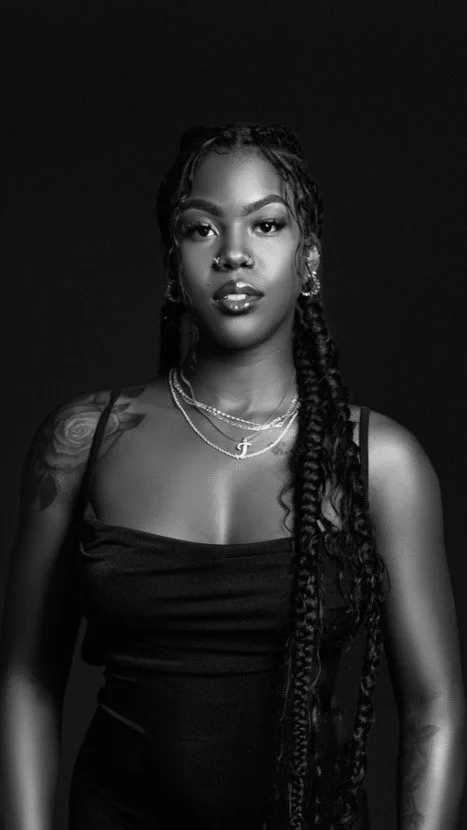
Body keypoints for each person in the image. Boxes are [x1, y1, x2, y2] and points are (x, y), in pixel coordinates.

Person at [0, 122, 465, 830]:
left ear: (309, 259)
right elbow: (26, 679)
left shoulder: (379, 461)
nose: (234, 253)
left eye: (267, 224)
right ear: (171, 262)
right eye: (201, 229)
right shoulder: (83, 441)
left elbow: (434, 708)